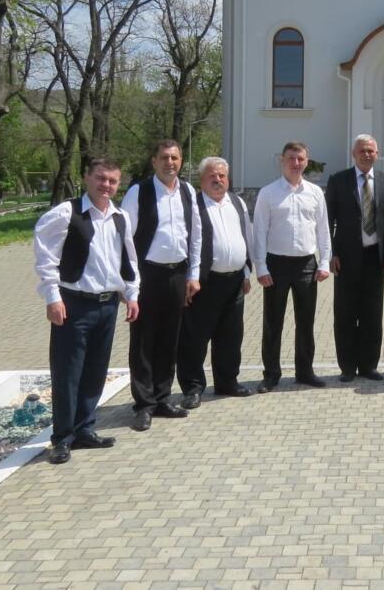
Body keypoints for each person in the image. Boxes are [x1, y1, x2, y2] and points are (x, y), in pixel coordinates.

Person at [33, 157, 140, 465]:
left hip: (107, 305)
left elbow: (128, 260)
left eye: (112, 181)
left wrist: (131, 294)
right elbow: (46, 256)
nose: (106, 185)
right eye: (101, 178)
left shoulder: (120, 217)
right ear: (86, 178)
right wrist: (52, 297)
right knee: (68, 373)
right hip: (74, 305)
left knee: (95, 371)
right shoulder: (66, 213)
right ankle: (62, 438)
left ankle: (84, 429)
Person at [121, 139, 202, 432]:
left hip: (177, 274)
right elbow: (124, 238)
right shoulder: (139, 192)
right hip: (148, 275)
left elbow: (195, 235)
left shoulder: (187, 191)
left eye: (175, 158)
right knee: (144, 341)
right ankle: (144, 404)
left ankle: (163, 397)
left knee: (170, 339)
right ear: (154, 161)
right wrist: (129, 283)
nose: (170, 163)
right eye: (164, 157)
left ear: (181, 161)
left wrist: (193, 274)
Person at [253, 141, 332, 392]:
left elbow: (323, 230)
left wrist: (325, 262)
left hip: (306, 264)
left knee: (306, 322)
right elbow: (259, 232)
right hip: (276, 264)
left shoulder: (315, 193)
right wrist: (261, 267)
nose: (295, 163)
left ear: (307, 162)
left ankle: (305, 372)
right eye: (291, 158)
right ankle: (271, 374)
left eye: (300, 159)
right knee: (273, 322)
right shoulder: (268, 193)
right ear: (282, 161)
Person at [177, 157, 254, 407]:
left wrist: (246, 272)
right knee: (195, 338)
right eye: (212, 175)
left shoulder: (237, 203)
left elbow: (247, 237)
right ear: (202, 180)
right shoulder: (193, 205)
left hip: (234, 282)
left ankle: (227, 382)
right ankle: (193, 388)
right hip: (204, 283)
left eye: (222, 175)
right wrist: (189, 278)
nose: (218, 179)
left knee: (231, 336)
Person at [325, 135, 384, 382]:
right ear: (353, 153)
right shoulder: (338, 180)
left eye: (370, 151)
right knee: (345, 314)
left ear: (377, 154)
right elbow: (327, 221)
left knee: (372, 314)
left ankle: (369, 365)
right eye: (362, 151)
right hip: (345, 259)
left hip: (375, 259)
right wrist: (330, 254)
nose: (366, 155)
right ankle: (347, 367)